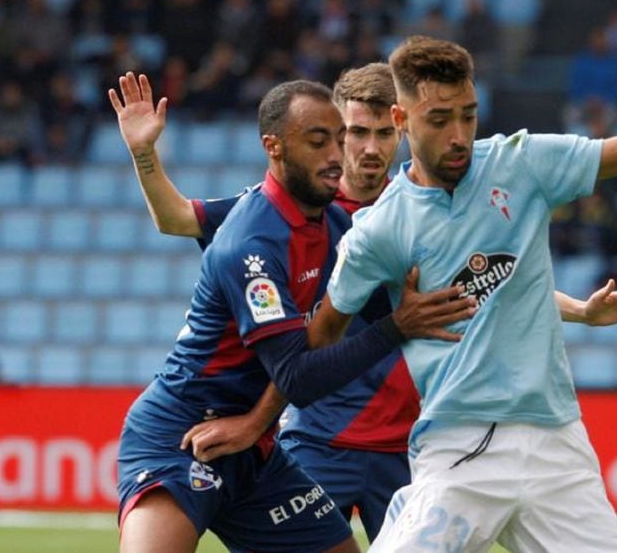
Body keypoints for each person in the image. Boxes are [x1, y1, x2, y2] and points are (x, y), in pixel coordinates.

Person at [310, 13, 617, 551]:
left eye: (468, 117)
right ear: (402, 118)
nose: (458, 136)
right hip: (461, 448)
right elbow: (318, 343)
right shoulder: (377, 231)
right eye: (439, 119)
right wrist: (394, 326)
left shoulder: (522, 163)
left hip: (557, 443)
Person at [119, 63, 617, 542]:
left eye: (379, 134)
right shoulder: (278, 216)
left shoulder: (403, 214)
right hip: (317, 434)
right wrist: (145, 154)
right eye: (351, 134)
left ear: (400, 130)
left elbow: (482, 289)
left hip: (404, 441)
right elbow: (178, 221)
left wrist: (580, 311)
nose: (365, 149)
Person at [108, 75, 474, 553]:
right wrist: (397, 327)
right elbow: (299, 375)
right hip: (181, 436)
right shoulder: (251, 244)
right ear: (274, 148)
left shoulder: (341, 226)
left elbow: (430, 297)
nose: (337, 155)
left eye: (339, 140)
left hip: (257, 452)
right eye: (321, 141)